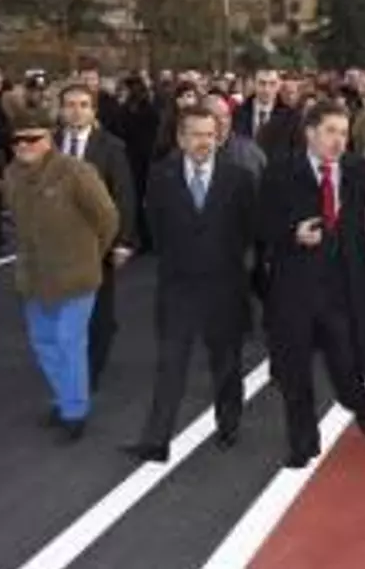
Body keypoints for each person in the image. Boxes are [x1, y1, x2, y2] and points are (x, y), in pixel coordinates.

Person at [120, 106, 256, 462]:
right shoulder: (160, 176)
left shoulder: (239, 179)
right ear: (181, 138)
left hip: (224, 287)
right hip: (178, 287)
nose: (204, 142)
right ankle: (156, 441)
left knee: (226, 365)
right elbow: (157, 227)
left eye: (210, 135)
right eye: (196, 135)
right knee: (170, 365)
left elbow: (248, 230)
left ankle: (228, 426)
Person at [260, 101, 365, 469]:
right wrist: (291, 234)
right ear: (310, 133)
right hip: (294, 290)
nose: (338, 140)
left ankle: (358, 402)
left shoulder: (359, 171)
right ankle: (302, 442)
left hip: (343, 290)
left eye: (343, 133)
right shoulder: (281, 171)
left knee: (346, 364)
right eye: (330, 131)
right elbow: (261, 225)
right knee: (294, 373)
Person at [4, 98, 119, 443]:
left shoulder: (76, 172)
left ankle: (74, 412)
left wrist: (90, 255)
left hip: (75, 276)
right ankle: (64, 397)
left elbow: (107, 218)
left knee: (70, 343)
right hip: (34, 276)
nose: (24, 145)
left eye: (33, 138)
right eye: (18, 140)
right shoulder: (11, 175)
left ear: (49, 137)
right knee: (44, 343)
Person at [57, 84, 137, 392]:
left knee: (97, 312)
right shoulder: (50, 145)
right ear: (61, 110)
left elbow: (124, 195)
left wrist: (124, 241)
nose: (76, 111)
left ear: (93, 111)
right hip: (59, 244)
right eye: (70, 104)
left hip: (97, 243)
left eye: (83, 105)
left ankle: (88, 372)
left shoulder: (111, 147)